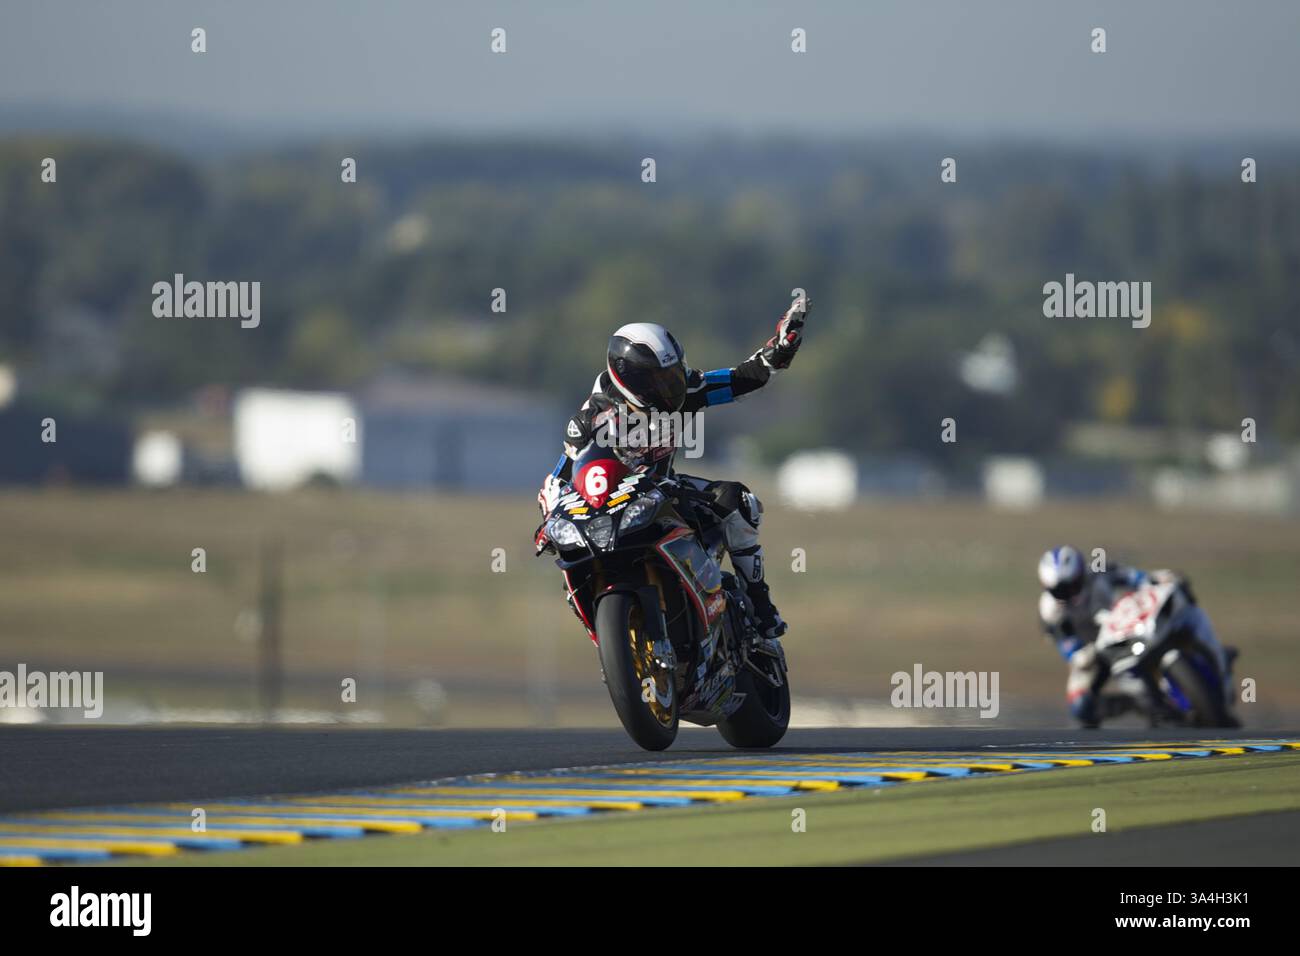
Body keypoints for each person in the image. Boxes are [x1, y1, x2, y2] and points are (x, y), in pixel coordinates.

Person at [538, 297, 809, 639]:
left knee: (738, 503)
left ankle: (758, 602)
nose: (673, 387)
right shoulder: (592, 420)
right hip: (612, 512)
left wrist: (781, 350)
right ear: (628, 379)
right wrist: (550, 521)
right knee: (572, 566)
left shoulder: (686, 388)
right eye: (660, 380)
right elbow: (560, 478)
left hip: (665, 493)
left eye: (674, 373)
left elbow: (743, 378)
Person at [1036, 545, 1236, 726]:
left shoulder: (1100, 574)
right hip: (1094, 651)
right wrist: (1076, 654)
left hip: (1129, 629)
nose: (1071, 592)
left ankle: (1215, 658)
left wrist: (1161, 578)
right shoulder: (1049, 610)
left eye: (1074, 583)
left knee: (1185, 612)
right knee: (1080, 705)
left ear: (1081, 572)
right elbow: (1062, 640)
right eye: (1061, 590)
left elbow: (1137, 577)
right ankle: (1137, 705)